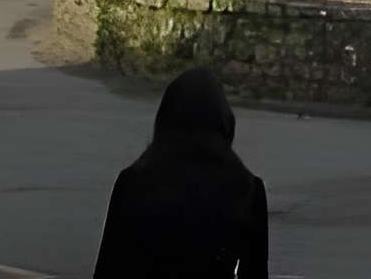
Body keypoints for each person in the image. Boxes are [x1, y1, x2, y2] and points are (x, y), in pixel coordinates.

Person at [92, 67, 269, 279]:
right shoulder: (247, 189)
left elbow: (109, 267)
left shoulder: (133, 182)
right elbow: (255, 273)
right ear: (224, 121)